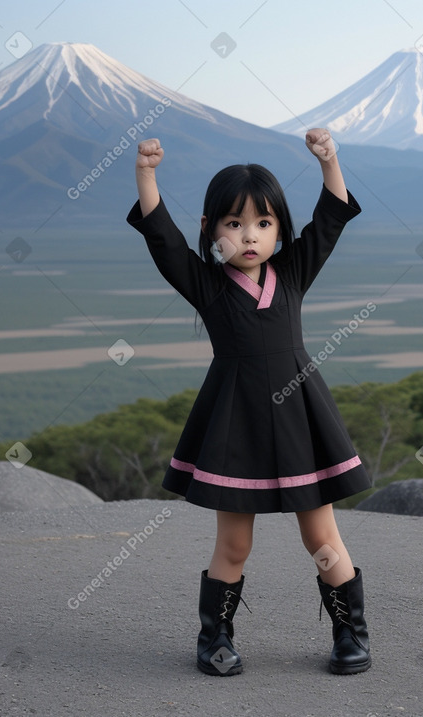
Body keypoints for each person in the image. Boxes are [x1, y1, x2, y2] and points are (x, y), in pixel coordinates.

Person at [127, 129, 372, 676]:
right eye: (233, 224)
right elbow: (163, 239)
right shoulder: (207, 284)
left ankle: (351, 635)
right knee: (233, 545)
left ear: (279, 228)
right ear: (211, 231)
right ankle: (214, 638)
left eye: (263, 223)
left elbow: (330, 218)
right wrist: (146, 175)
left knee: (322, 537)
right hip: (234, 426)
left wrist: (329, 160)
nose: (249, 236)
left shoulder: (293, 274)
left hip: (301, 420)